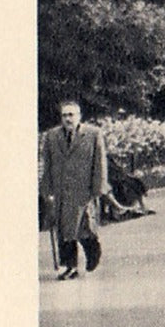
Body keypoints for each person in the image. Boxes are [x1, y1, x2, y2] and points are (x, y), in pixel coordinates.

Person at [40, 99, 109, 279]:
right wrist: (46, 190)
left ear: (79, 116)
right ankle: (69, 266)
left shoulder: (93, 134)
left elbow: (100, 162)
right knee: (63, 230)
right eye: (64, 115)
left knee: (84, 228)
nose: (68, 119)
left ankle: (93, 251)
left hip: (84, 191)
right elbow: (47, 165)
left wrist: (99, 187)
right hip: (61, 190)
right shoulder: (52, 136)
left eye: (71, 115)